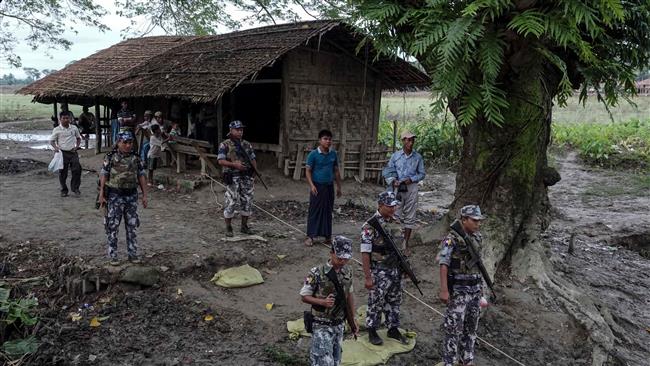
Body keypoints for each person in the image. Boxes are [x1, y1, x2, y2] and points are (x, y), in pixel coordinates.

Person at [438, 205, 486, 366]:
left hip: (474, 291)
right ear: (463, 220)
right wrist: (444, 290)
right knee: (453, 329)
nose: (478, 224)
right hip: (458, 291)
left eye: (479, 221)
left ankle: (466, 359)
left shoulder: (478, 238)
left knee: (471, 329)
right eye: (474, 220)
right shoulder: (451, 238)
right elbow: (444, 264)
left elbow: (479, 267)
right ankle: (449, 361)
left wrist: (482, 291)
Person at [360, 191, 409, 346]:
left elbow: (402, 247)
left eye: (394, 206)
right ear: (380, 205)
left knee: (395, 300)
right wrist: (368, 277)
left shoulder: (396, 221)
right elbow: (365, 252)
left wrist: (406, 267)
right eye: (389, 206)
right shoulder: (370, 225)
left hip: (396, 270)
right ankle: (372, 330)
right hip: (379, 269)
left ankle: (392, 328)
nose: (393, 209)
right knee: (376, 301)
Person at [300, 235, 359, 366]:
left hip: (338, 324)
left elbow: (349, 295)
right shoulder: (317, 272)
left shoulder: (348, 271)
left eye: (346, 259)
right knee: (323, 362)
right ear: (331, 253)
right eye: (339, 258)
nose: (343, 261)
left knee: (336, 360)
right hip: (321, 323)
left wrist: (352, 319)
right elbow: (304, 296)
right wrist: (323, 302)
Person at [98, 131, 148, 265]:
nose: (127, 145)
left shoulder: (136, 158)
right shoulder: (110, 157)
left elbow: (141, 176)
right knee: (112, 226)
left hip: (131, 196)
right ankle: (113, 255)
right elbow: (104, 175)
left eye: (130, 142)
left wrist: (145, 195)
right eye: (124, 142)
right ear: (118, 143)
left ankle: (132, 254)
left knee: (132, 226)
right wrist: (101, 194)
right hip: (115, 196)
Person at [384, 130, 425, 251]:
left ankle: (405, 243)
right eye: (408, 139)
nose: (411, 142)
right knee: (395, 212)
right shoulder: (395, 156)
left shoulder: (418, 157)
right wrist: (393, 181)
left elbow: (422, 174)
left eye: (412, 140)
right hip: (397, 187)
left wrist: (411, 179)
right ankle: (393, 242)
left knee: (410, 215)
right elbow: (388, 171)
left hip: (411, 187)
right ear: (403, 141)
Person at [217, 120, 257, 237]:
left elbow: (253, 158)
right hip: (232, 175)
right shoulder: (225, 144)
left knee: (247, 200)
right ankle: (228, 227)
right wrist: (234, 165)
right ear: (231, 130)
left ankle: (244, 226)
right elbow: (220, 160)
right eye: (237, 130)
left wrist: (254, 172)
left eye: (241, 129)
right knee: (231, 200)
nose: (240, 132)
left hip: (246, 176)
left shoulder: (246, 144)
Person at [304, 129, 342, 247]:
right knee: (314, 211)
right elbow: (308, 171)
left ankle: (327, 236)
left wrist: (339, 187)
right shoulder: (313, 154)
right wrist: (312, 185)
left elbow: (336, 171)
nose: (328, 141)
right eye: (325, 139)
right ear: (319, 140)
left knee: (327, 211)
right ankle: (310, 236)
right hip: (317, 187)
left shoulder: (333, 154)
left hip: (329, 187)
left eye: (330, 139)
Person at [49, 111, 82, 197]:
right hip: (62, 153)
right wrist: (56, 148)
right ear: (60, 119)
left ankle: (75, 188)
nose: (65, 120)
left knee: (77, 169)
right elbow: (51, 141)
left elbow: (78, 138)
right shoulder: (56, 130)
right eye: (63, 118)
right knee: (63, 173)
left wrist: (77, 146)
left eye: (67, 118)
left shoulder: (74, 128)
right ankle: (64, 190)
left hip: (73, 152)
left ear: (70, 119)